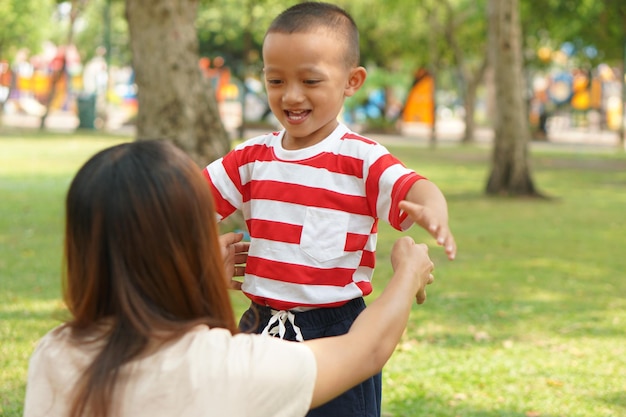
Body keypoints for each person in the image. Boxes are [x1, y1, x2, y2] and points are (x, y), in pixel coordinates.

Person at [22, 139, 435, 417]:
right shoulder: (231, 366)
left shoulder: (54, 353)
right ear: (189, 247)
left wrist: (198, 288)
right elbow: (364, 350)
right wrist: (408, 272)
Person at [203, 2, 457, 416]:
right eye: (276, 80)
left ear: (351, 81)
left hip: (337, 331)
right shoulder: (250, 158)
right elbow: (186, 205)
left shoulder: (361, 159)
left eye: (310, 80)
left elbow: (416, 186)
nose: (291, 95)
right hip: (258, 326)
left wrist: (433, 210)